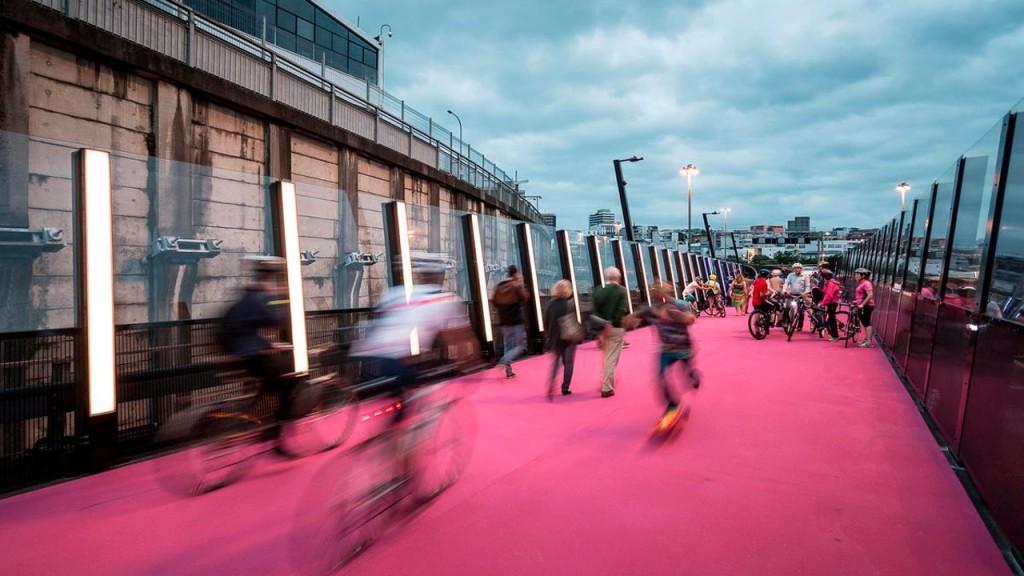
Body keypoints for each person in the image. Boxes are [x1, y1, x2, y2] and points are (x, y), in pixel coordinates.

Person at [350, 252, 470, 426]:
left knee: (397, 397)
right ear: (440, 276)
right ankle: (397, 443)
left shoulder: (395, 293)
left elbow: (379, 319)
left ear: (419, 275)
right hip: (399, 359)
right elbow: (457, 337)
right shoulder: (444, 300)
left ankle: (390, 432)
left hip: (371, 357)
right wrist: (465, 364)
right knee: (411, 398)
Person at [220, 256, 295, 448]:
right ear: (268, 280)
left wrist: (268, 345)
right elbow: (275, 319)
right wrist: (284, 296)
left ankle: (254, 414)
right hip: (251, 357)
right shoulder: (257, 299)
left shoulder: (245, 298)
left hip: (238, 354)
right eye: (273, 280)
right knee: (290, 379)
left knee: (270, 380)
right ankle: (276, 430)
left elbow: (244, 329)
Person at [625, 282, 699, 431]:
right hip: (666, 350)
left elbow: (691, 319)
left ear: (667, 294)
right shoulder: (650, 310)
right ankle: (673, 405)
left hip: (683, 347)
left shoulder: (680, 305)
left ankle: (693, 375)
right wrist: (631, 320)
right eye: (656, 294)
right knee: (660, 377)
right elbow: (630, 320)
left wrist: (681, 316)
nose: (659, 297)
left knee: (688, 377)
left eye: (662, 294)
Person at [592, 267, 629, 398]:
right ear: (618, 278)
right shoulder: (621, 291)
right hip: (616, 327)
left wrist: (601, 328)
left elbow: (594, 312)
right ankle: (606, 386)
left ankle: (607, 380)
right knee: (612, 357)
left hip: (602, 329)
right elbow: (621, 310)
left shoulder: (597, 291)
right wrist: (610, 322)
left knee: (606, 356)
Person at [544, 280, 580, 399]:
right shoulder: (570, 304)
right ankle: (565, 387)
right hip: (568, 337)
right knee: (568, 363)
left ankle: (551, 382)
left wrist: (548, 334)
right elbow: (574, 321)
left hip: (555, 337)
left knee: (555, 363)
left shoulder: (550, 304)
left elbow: (546, 321)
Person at [493, 265, 530, 378]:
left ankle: (508, 372)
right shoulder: (516, 285)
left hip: (504, 321)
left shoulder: (499, 286)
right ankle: (503, 361)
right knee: (520, 345)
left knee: (508, 346)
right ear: (515, 274)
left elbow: (494, 302)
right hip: (516, 320)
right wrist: (520, 283)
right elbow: (526, 297)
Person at [854, 267, 875, 348]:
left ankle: (869, 342)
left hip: (867, 306)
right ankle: (867, 339)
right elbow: (862, 295)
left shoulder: (866, 283)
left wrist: (862, 304)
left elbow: (870, 295)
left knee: (866, 323)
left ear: (862, 275)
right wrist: (857, 301)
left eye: (857, 274)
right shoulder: (862, 283)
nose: (855, 276)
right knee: (865, 322)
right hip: (863, 305)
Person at [783, 263, 809, 330]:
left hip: (801, 296)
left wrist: (805, 293)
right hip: (791, 295)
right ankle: (786, 322)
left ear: (801, 269)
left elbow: (807, 286)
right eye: (795, 268)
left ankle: (800, 326)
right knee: (787, 307)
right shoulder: (790, 275)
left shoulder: (805, 276)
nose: (797, 269)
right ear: (793, 269)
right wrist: (785, 290)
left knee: (801, 311)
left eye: (798, 268)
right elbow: (786, 283)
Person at [819, 269, 842, 341]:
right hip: (831, 303)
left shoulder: (831, 284)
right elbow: (826, 292)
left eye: (822, 276)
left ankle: (835, 336)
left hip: (832, 303)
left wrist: (822, 303)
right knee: (830, 319)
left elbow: (829, 295)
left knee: (832, 320)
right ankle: (827, 328)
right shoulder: (829, 282)